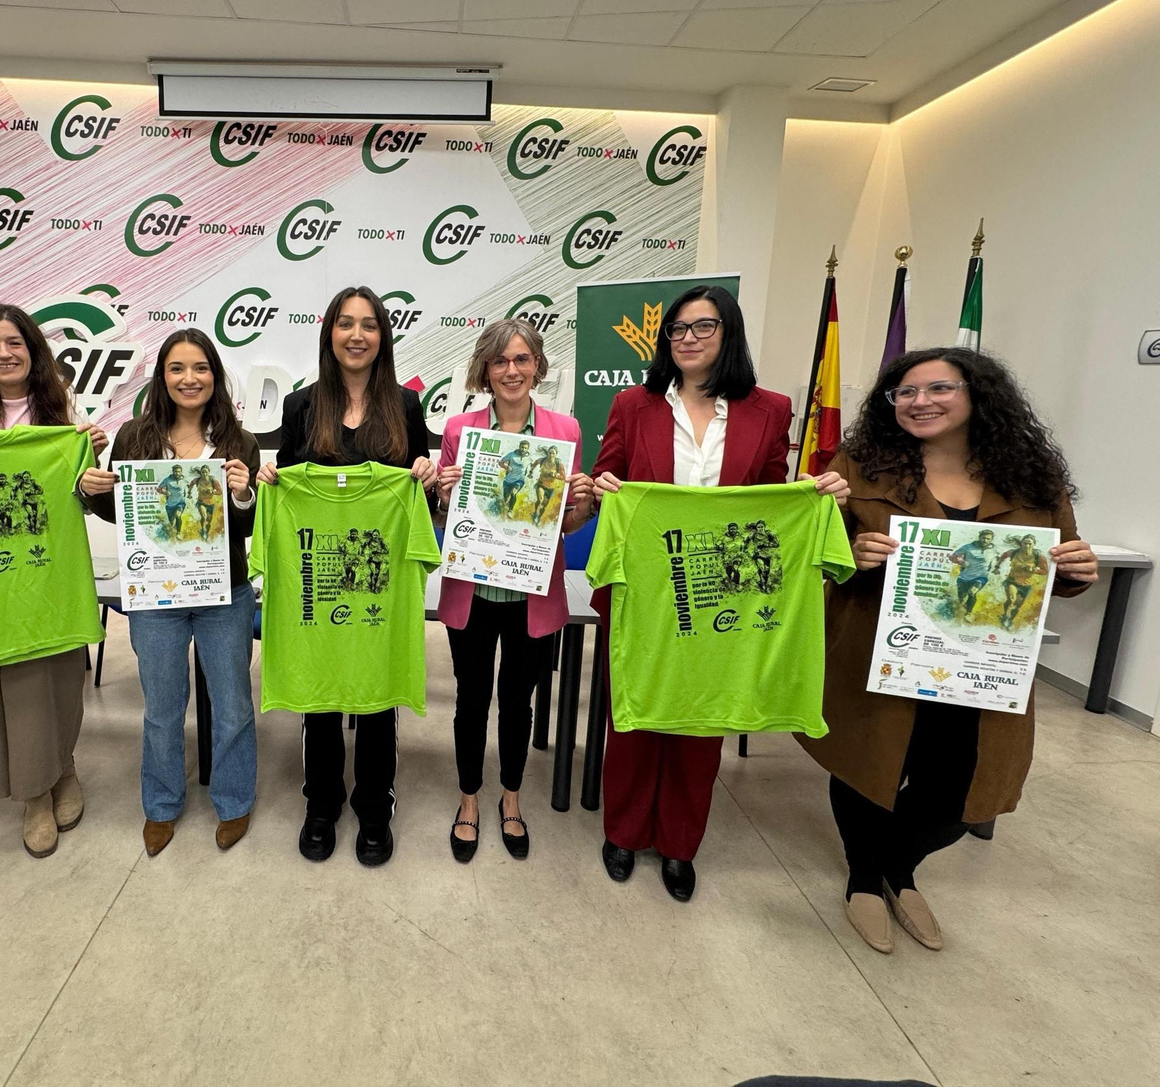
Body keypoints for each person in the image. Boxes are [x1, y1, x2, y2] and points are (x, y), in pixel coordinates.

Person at [800, 347, 1097, 954]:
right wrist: (847, 557)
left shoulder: (1032, 477)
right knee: (868, 765)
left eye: (939, 388)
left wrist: (1075, 571)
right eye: (904, 393)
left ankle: (897, 864)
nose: (920, 402)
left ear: (977, 393)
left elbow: (1057, 561)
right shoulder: (860, 466)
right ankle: (863, 877)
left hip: (982, 667)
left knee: (961, 790)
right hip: (879, 650)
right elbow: (815, 554)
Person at [590, 285, 847, 901]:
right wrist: (598, 490)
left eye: (702, 326)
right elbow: (612, 474)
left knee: (704, 717)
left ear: (729, 332)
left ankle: (680, 844)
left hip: (722, 593)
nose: (688, 338)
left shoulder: (769, 409)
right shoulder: (635, 404)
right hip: (647, 589)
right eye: (677, 330)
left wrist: (810, 499)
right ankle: (622, 832)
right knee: (633, 715)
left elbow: (767, 497)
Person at [257, 286, 437, 867]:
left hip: (378, 578)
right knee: (321, 690)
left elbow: (417, 500)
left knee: (377, 689)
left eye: (368, 325)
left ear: (383, 336)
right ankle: (321, 802)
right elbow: (289, 489)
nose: (356, 335)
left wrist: (425, 478)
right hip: (319, 574)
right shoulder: (301, 406)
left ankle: (375, 807)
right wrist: (269, 484)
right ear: (329, 333)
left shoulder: (406, 408)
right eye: (345, 324)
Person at [0, 303, 108, 859]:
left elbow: (74, 501)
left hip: (50, 576)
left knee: (56, 678)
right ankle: (33, 794)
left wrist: (90, 476)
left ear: (33, 350)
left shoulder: (64, 418)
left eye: (14, 343)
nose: (3, 354)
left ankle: (63, 768)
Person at [84, 329, 259, 856]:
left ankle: (233, 801)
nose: (190, 378)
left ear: (215, 376)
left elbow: (247, 526)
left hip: (221, 590)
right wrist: (92, 492)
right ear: (162, 377)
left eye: (201, 368)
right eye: (178, 368)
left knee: (231, 704)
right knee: (162, 706)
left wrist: (243, 493)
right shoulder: (135, 436)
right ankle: (161, 805)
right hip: (155, 596)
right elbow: (123, 512)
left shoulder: (237, 441)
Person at [435, 317, 594, 863]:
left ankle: (510, 798)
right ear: (485, 368)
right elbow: (444, 518)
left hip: (532, 595)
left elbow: (569, 525)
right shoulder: (460, 431)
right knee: (471, 699)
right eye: (500, 360)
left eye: (521, 359)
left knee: (518, 704)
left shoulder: (564, 431)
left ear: (537, 367)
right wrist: (444, 493)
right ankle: (469, 800)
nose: (511, 370)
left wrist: (584, 501)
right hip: (474, 594)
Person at [949, 529, 995, 619]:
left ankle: (968, 614)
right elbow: (953, 556)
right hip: (964, 577)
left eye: (988, 539)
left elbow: (999, 560)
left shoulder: (994, 550)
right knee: (961, 599)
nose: (985, 541)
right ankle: (962, 607)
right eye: (983, 538)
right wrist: (961, 562)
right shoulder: (968, 547)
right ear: (979, 537)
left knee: (972, 592)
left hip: (981, 577)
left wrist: (996, 569)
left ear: (991, 540)